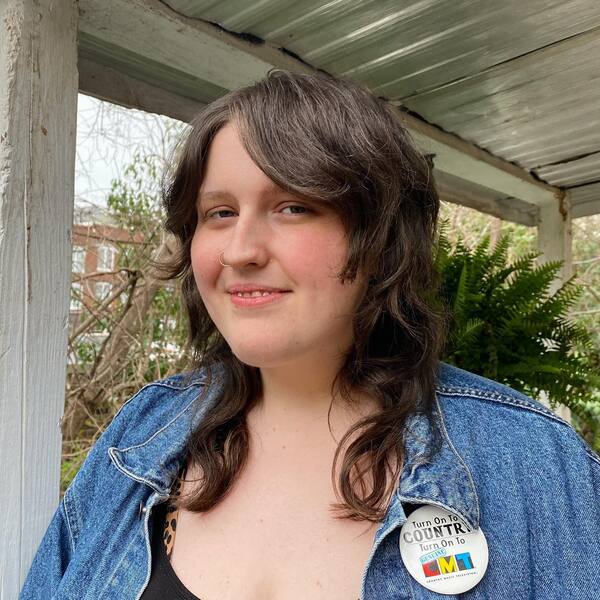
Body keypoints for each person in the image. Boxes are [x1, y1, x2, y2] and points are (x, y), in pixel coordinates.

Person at [20, 69, 600, 600]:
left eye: (293, 207)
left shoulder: (534, 466)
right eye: (218, 213)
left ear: (381, 239)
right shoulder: (138, 439)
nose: (241, 250)